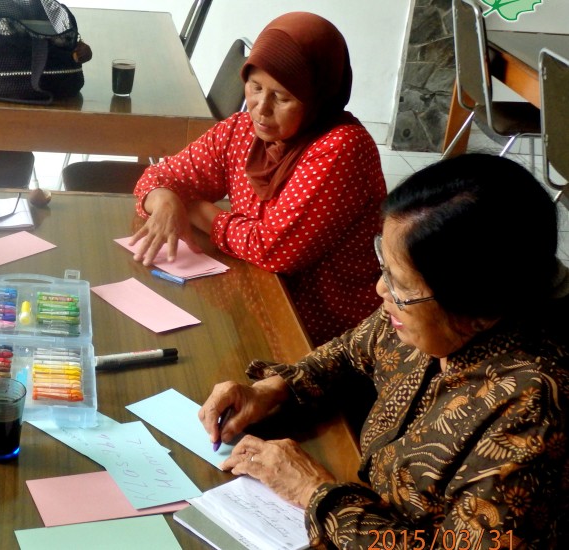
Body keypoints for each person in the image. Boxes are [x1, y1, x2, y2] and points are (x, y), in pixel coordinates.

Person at [198, 154, 569, 548]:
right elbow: (351, 352)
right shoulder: (425, 313)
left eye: (400, 284)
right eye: (385, 267)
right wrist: (272, 389)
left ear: (478, 310)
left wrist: (312, 491)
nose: (381, 290)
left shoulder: (533, 413)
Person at [130, 12, 386, 345]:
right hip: (257, 300)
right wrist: (166, 201)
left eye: (282, 97)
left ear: (318, 99)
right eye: (255, 87)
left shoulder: (342, 148)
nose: (261, 108)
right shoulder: (241, 131)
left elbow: (273, 249)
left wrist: (193, 207)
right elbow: (158, 176)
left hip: (328, 332)